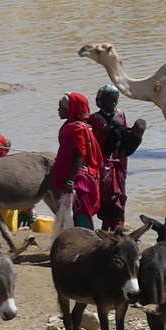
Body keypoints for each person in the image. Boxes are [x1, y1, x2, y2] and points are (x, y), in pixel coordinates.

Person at [88, 86, 145, 231]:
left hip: (120, 163)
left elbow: (124, 136)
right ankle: (104, 230)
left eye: (115, 100)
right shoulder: (94, 119)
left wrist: (122, 156)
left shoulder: (121, 114)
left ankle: (115, 230)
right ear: (101, 101)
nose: (113, 104)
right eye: (109, 100)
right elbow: (92, 144)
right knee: (106, 197)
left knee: (119, 196)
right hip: (103, 163)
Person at [51, 93, 103, 231]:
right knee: (75, 213)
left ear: (70, 109)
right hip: (74, 178)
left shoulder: (77, 130)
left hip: (80, 180)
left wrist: (70, 181)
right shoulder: (70, 126)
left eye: (60, 107)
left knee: (81, 214)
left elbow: (80, 155)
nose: (58, 110)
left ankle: (86, 241)